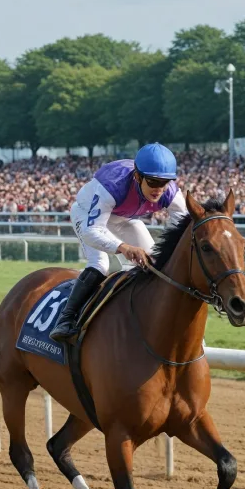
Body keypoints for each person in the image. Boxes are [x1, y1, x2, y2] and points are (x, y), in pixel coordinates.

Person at [49, 143, 187, 343]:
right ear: (138, 176)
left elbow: (180, 228)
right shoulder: (114, 184)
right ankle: (66, 318)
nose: (159, 188)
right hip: (87, 216)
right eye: (153, 181)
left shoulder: (170, 192)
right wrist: (123, 247)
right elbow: (92, 231)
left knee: (156, 266)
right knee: (102, 264)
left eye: (165, 181)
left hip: (125, 219)